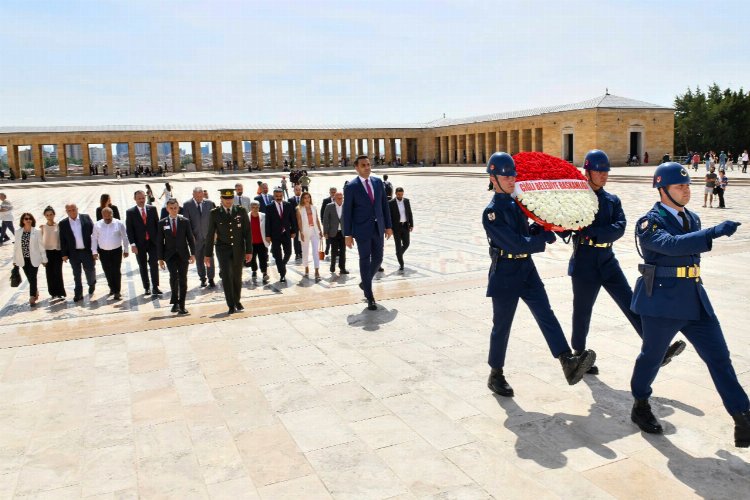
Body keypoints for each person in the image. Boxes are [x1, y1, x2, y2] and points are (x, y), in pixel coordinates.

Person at [629, 162, 749, 447]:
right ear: (662, 190)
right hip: (661, 301)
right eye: (679, 187)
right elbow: (671, 245)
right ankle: (640, 402)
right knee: (652, 357)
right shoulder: (649, 222)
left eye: (687, 186)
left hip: (694, 300)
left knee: (720, 357)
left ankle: (743, 416)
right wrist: (712, 233)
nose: (686, 191)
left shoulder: (692, 218)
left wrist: (705, 232)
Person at [482, 152, 595, 397]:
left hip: (526, 270)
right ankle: (496, 374)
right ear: (493, 177)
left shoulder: (517, 203)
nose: (512, 179)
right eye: (505, 175)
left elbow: (527, 230)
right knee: (502, 326)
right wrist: (543, 237)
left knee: (546, 313)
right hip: (505, 272)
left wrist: (547, 224)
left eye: (513, 174)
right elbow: (516, 243)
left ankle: (567, 361)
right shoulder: (491, 213)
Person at [566, 150, 684, 375]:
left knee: (632, 303)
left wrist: (593, 232)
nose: (603, 175)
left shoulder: (612, 200)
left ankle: (655, 348)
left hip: (607, 260)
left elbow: (619, 227)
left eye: (605, 171)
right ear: (587, 172)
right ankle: (578, 355)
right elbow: (571, 225)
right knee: (582, 310)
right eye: (598, 171)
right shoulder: (576, 199)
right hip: (584, 261)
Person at [343, 155, 393, 310]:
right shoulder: (351, 186)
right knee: (365, 259)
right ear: (356, 168)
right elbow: (347, 212)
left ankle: (364, 283)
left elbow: (384, 205)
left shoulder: (378, 183)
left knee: (378, 259)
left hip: (378, 228)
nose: (367, 167)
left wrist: (388, 226)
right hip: (361, 230)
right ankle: (369, 295)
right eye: (363, 165)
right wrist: (348, 234)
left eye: (369, 164)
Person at [205, 188, 252, 314]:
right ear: (221, 199)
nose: (228, 201)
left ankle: (237, 300)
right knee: (227, 276)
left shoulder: (241, 211)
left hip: (238, 249)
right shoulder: (214, 213)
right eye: (225, 199)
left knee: (237, 276)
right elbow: (210, 234)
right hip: (222, 249)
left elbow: (247, 232)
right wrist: (207, 254)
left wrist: (249, 251)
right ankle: (230, 304)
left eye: (230, 198)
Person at [157, 199, 195, 315]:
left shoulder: (185, 221)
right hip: (170, 256)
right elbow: (159, 242)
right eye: (171, 208)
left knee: (183, 279)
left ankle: (182, 305)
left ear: (178, 208)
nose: (173, 210)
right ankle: (175, 303)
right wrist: (160, 258)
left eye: (175, 208)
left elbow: (190, 238)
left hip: (183, 255)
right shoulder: (162, 223)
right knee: (173, 277)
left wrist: (193, 254)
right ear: (167, 209)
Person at [126, 190, 162, 296]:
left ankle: (155, 287)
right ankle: (146, 287)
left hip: (152, 242)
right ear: (135, 199)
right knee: (142, 266)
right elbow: (130, 230)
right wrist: (132, 244)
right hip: (139, 244)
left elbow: (157, 225)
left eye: (143, 198)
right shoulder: (130, 212)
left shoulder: (152, 209)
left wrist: (159, 241)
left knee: (154, 265)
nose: (141, 200)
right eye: (139, 199)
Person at [59, 203, 96, 302]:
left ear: (77, 209)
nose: (72, 212)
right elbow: (62, 240)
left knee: (90, 270)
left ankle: (92, 284)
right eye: (69, 210)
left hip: (87, 251)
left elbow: (94, 233)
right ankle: (78, 294)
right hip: (73, 253)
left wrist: (95, 250)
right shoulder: (63, 223)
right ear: (66, 212)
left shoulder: (85, 218)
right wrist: (64, 254)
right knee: (76, 274)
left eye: (73, 209)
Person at [91, 206, 130, 301]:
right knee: (107, 270)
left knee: (116, 270)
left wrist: (126, 250)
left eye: (109, 217)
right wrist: (94, 251)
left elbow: (125, 237)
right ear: (102, 216)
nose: (108, 219)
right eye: (105, 217)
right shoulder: (97, 225)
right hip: (103, 251)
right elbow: (94, 238)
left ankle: (117, 291)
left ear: (112, 215)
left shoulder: (119, 224)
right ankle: (112, 288)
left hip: (116, 251)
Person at [182, 186, 216, 288]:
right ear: (193, 195)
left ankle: (211, 278)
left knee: (209, 258)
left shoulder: (209, 203)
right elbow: (186, 222)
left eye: (201, 196)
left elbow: (214, 220)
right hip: (195, 238)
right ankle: (202, 278)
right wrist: (190, 236)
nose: (199, 198)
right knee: (199, 259)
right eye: (197, 197)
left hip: (208, 237)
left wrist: (215, 233)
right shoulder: (187, 205)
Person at [13, 212, 46, 306]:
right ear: (22, 221)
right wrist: (14, 260)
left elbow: (41, 246)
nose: (28, 220)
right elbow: (16, 247)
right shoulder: (18, 232)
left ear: (32, 220)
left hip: (34, 258)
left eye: (29, 218)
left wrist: (44, 259)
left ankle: (32, 296)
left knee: (33, 277)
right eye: (26, 219)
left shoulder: (37, 232)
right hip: (23, 259)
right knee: (30, 278)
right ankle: (35, 291)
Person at [265, 187, 297, 282]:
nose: (278, 198)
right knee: (278, 255)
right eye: (276, 196)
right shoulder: (269, 207)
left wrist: (293, 231)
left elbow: (292, 219)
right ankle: (282, 273)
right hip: (275, 235)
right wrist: (268, 235)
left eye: (280, 196)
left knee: (288, 253)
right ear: (273, 196)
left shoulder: (288, 205)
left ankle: (282, 265)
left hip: (286, 233)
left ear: (282, 195)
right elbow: (268, 222)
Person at [296, 192, 323, 281]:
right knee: (305, 251)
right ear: (302, 199)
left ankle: (316, 271)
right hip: (305, 231)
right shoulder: (299, 209)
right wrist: (301, 232)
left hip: (314, 231)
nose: (307, 199)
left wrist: (320, 230)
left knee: (315, 251)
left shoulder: (314, 208)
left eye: (308, 197)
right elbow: (299, 222)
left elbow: (317, 220)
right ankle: (306, 267)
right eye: (305, 198)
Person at [40, 206, 66, 299]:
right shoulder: (43, 227)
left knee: (58, 272)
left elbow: (62, 240)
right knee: (49, 273)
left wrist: (64, 254)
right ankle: (52, 293)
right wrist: (42, 258)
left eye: (51, 214)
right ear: (45, 216)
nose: (49, 216)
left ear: (54, 214)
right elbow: (40, 244)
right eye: (47, 215)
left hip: (57, 252)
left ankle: (60, 292)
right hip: (47, 253)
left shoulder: (59, 226)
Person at [388, 187, 414, 271]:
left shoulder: (406, 201)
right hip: (396, 228)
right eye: (399, 194)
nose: (400, 196)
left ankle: (398, 253)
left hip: (405, 226)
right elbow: (389, 217)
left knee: (406, 243)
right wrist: (389, 228)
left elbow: (409, 213)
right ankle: (401, 264)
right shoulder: (391, 203)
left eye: (402, 194)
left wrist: (411, 224)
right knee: (398, 245)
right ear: (395, 194)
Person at [322, 191, 347, 274]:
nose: (340, 200)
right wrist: (325, 232)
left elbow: (349, 219)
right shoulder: (329, 206)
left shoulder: (346, 206)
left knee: (343, 251)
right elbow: (326, 220)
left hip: (343, 232)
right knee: (334, 250)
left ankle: (342, 268)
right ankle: (332, 265)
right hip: (333, 232)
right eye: (339, 198)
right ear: (334, 198)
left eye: (342, 198)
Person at [248, 200, 270, 284]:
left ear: (259, 207)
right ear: (250, 207)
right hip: (251, 243)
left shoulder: (263, 216)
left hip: (261, 241)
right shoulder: (247, 217)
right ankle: (254, 270)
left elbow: (267, 227)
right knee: (252, 259)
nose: (255, 209)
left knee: (263, 258)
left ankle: (264, 273)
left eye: (257, 207)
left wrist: (268, 237)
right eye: (253, 207)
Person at [288, 185, 303, 260]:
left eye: (299, 190)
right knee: (296, 239)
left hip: (303, 223)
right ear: (294, 191)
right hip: (294, 223)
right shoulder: (290, 200)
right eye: (296, 190)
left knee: (303, 238)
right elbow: (289, 213)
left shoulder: (304, 199)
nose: (298, 191)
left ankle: (302, 252)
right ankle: (297, 253)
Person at [320, 187, 337, 256]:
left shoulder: (339, 200)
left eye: (334, 192)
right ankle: (327, 248)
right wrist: (322, 221)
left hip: (336, 223)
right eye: (332, 192)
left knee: (336, 236)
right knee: (327, 236)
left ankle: (336, 250)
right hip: (328, 222)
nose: (333, 193)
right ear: (329, 192)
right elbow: (322, 211)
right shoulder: (326, 200)